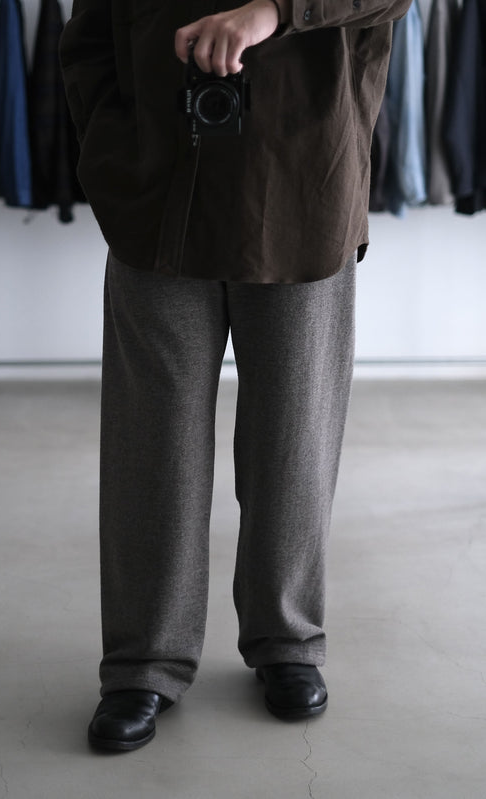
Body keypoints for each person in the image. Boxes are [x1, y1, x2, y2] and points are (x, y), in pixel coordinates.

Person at [60, 0, 412, 752]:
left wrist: (272, 10)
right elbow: (88, 36)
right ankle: (143, 662)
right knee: (150, 447)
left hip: (303, 189)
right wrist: (111, 153)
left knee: (294, 439)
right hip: (158, 196)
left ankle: (287, 641)